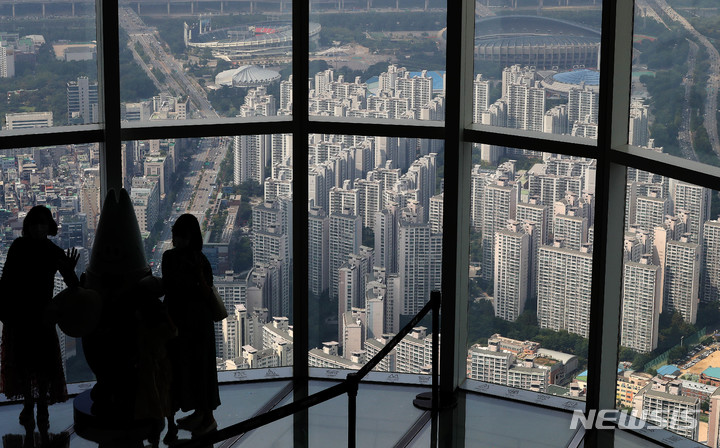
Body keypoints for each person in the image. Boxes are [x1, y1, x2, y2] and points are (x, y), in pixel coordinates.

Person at [0, 206, 79, 443]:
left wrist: (70, 270)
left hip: (38, 316)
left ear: (49, 227)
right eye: (34, 224)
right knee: (26, 364)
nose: (38, 228)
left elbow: (73, 283)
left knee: (41, 365)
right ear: (28, 227)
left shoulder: (48, 251)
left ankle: (39, 406)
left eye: (42, 224)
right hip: (23, 315)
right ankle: (29, 404)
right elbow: (6, 281)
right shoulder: (23, 248)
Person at [162, 214, 219, 442]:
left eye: (180, 235)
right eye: (175, 233)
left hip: (193, 323)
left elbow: (206, 292)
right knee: (188, 367)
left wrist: (197, 276)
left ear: (190, 237)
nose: (176, 239)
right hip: (186, 322)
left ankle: (206, 417)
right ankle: (199, 413)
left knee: (199, 367)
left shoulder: (199, 261)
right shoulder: (173, 258)